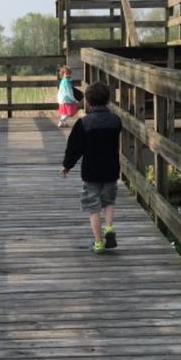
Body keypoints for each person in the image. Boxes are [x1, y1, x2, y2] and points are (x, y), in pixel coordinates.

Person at [60, 82, 122, 254]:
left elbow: (75, 148)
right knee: (108, 202)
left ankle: (99, 243)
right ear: (109, 100)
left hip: (91, 172)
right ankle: (109, 228)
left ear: (87, 101)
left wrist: (67, 165)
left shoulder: (84, 123)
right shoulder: (116, 121)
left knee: (93, 207)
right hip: (111, 170)